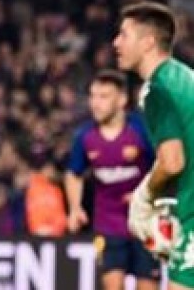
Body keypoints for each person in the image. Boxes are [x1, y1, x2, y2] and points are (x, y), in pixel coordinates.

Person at [115, 2, 194, 288]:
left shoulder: (157, 90)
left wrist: (143, 195)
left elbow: (173, 162)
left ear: (148, 43)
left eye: (124, 35)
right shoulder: (185, 77)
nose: (116, 43)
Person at [66, 70, 159, 290]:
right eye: (93, 96)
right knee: (112, 284)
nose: (95, 103)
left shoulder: (141, 130)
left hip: (145, 222)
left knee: (147, 285)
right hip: (108, 223)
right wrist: (75, 207)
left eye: (104, 96)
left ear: (122, 99)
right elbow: (73, 173)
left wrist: (145, 193)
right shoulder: (85, 137)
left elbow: (164, 165)